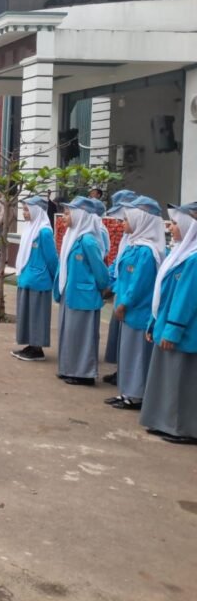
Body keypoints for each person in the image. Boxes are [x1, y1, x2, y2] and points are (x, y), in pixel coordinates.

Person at [139, 201, 197, 444]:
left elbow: (186, 299)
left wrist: (172, 331)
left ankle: (185, 429)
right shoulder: (180, 252)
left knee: (183, 380)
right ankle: (165, 422)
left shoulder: (193, 258)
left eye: (174, 223)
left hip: (185, 329)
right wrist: (154, 323)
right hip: (168, 321)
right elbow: (162, 294)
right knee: (169, 377)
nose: (170, 228)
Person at [103, 196, 165, 411]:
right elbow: (122, 275)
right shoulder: (133, 246)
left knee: (137, 353)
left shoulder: (147, 251)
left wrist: (124, 303)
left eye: (127, 220)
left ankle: (136, 395)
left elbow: (139, 283)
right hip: (127, 309)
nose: (123, 223)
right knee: (128, 352)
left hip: (137, 310)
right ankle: (127, 392)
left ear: (141, 221)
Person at [53, 197, 111, 386]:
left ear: (80, 216)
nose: (64, 217)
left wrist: (103, 288)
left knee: (82, 336)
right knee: (69, 333)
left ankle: (85, 374)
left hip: (84, 295)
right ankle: (69, 369)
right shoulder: (71, 236)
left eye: (68, 214)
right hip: (70, 293)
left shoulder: (88, 241)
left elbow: (100, 271)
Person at [11, 195, 59, 361]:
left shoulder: (44, 232)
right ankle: (31, 345)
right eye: (24, 209)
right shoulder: (29, 228)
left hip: (39, 281)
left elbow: (52, 259)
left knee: (37, 315)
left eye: (27, 210)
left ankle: (37, 349)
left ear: (37, 210)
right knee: (27, 315)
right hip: (27, 279)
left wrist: (55, 278)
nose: (24, 213)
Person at [101, 189, 138, 385]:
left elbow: (137, 277)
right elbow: (117, 262)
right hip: (120, 291)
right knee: (119, 335)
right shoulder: (127, 237)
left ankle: (126, 376)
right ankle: (120, 371)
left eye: (123, 217)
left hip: (129, 296)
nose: (120, 221)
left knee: (130, 340)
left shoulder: (143, 245)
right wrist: (109, 281)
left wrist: (114, 287)